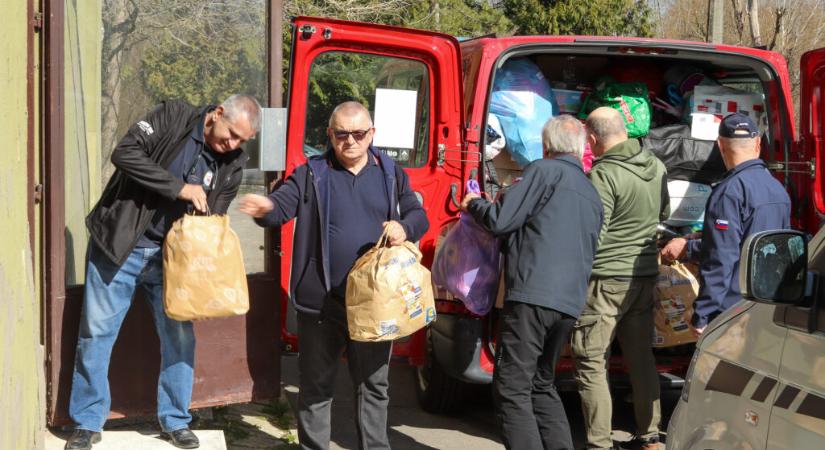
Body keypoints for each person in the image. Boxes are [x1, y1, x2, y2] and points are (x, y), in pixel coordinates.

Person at [64, 95, 261, 450]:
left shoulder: (232, 165)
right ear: (217, 114)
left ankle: (176, 419)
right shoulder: (174, 116)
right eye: (230, 133)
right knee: (96, 333)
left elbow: (211, 223)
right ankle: (87, 421)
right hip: (120, 246)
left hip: (174, 263)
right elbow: (124, 153)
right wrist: (179, 188)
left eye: (241, 141)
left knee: (180, 338)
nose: (232, 144)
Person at [239, 101, 428, 450]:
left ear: (372, 134)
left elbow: (419, 214)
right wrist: (266, 209)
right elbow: (282, 205)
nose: (350, 141)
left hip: (374, 305)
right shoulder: (312, 173)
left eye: (358, 133)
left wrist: (405, 226)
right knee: (316, 387)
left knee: (374, 386)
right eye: (342, 134)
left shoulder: (390, 173)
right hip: (323, 305)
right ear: (330, 135)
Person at [462, 115, 603, 450]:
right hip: (569, 303)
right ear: (582, 148)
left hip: (533, 296)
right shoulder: (590, 191)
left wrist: (474, 204)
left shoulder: (543, 171)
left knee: (511, 386)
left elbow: (500, 220)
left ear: (545, 145)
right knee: (541, 384)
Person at [572, 107, 669, 450]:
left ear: (593, 139)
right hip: (643, 275)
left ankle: (599, 443)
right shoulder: (656, 166)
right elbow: (663, 215)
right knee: (640, 356)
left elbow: (593, 231)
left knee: (591, 361)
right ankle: (651, 434)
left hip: (605, 281)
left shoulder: (604, 174)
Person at [660, 112, 791, 335]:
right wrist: (702, 237)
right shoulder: (778, 189)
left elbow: (721, 257)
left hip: (732, 311)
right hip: (768, 304)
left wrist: (704, 315)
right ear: (758, 144)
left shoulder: (729, 192)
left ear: (720, 146)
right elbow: (753, 238)